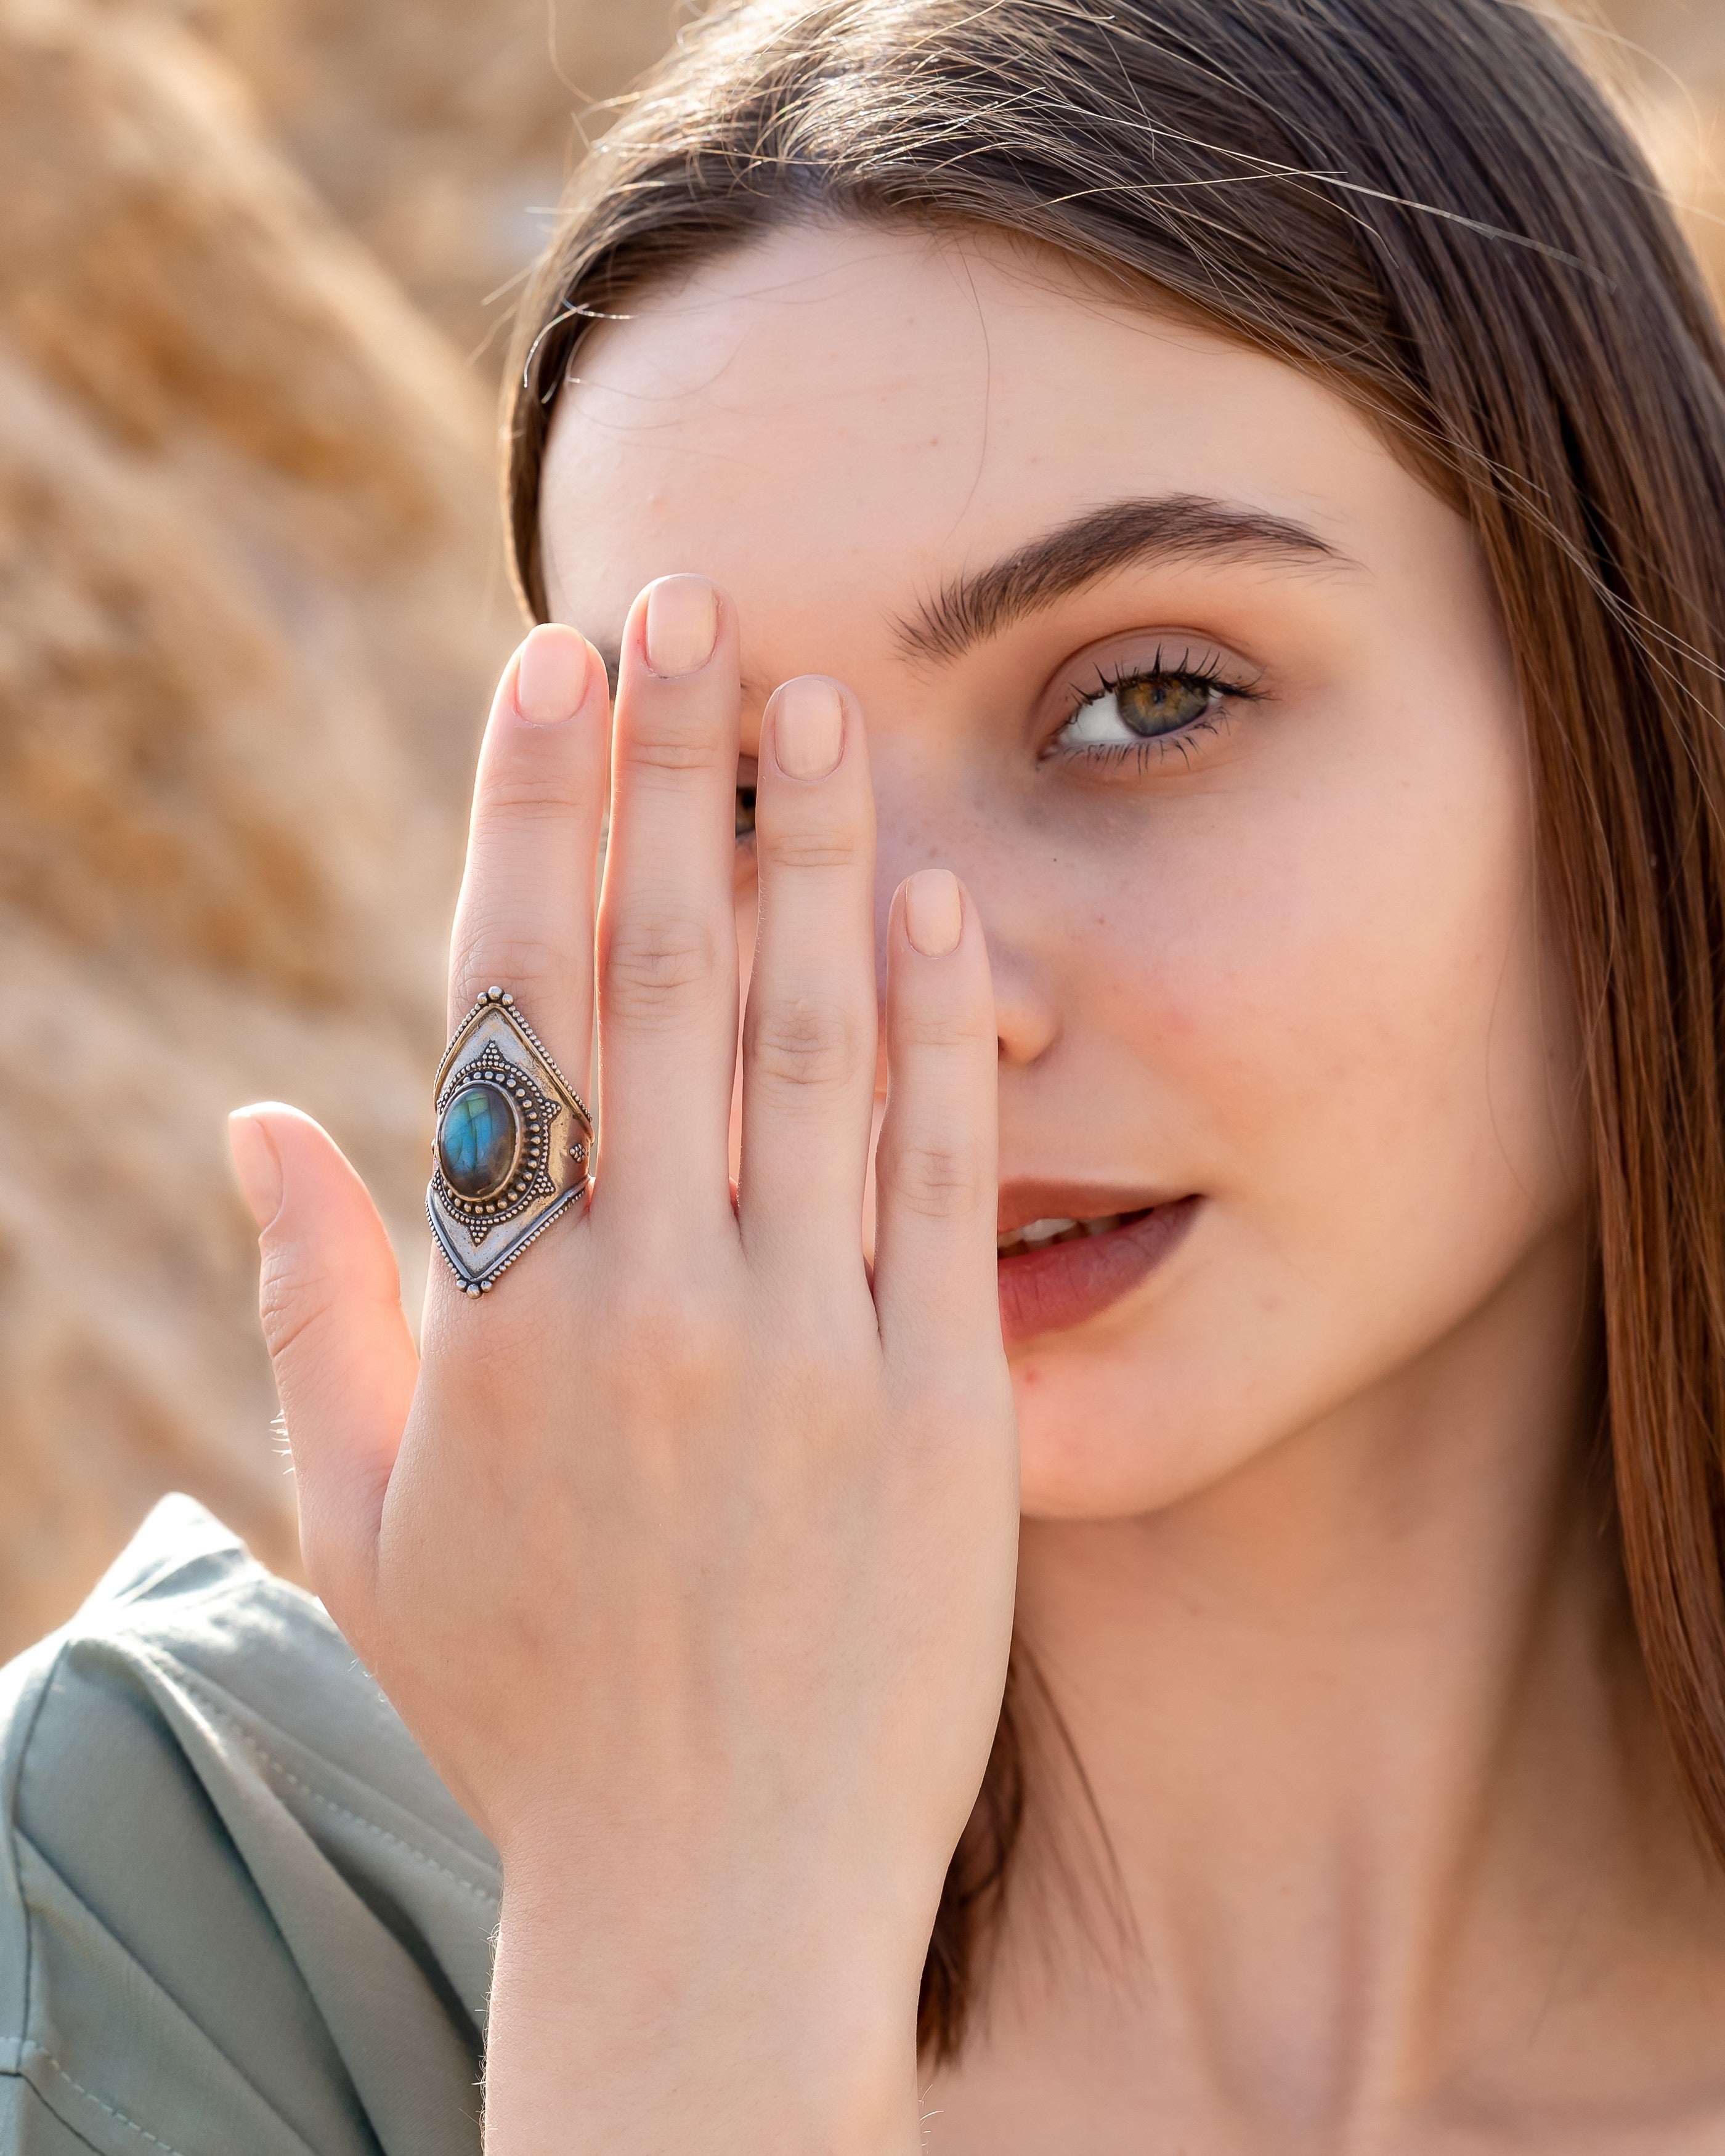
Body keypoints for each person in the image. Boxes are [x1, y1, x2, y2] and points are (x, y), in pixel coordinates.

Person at [9, 0, 1725, 2147]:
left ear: (1633, 706)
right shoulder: (171, 1910)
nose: (915, 1002)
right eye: (719, 798)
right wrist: (676, 1937)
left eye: (1149, 699)